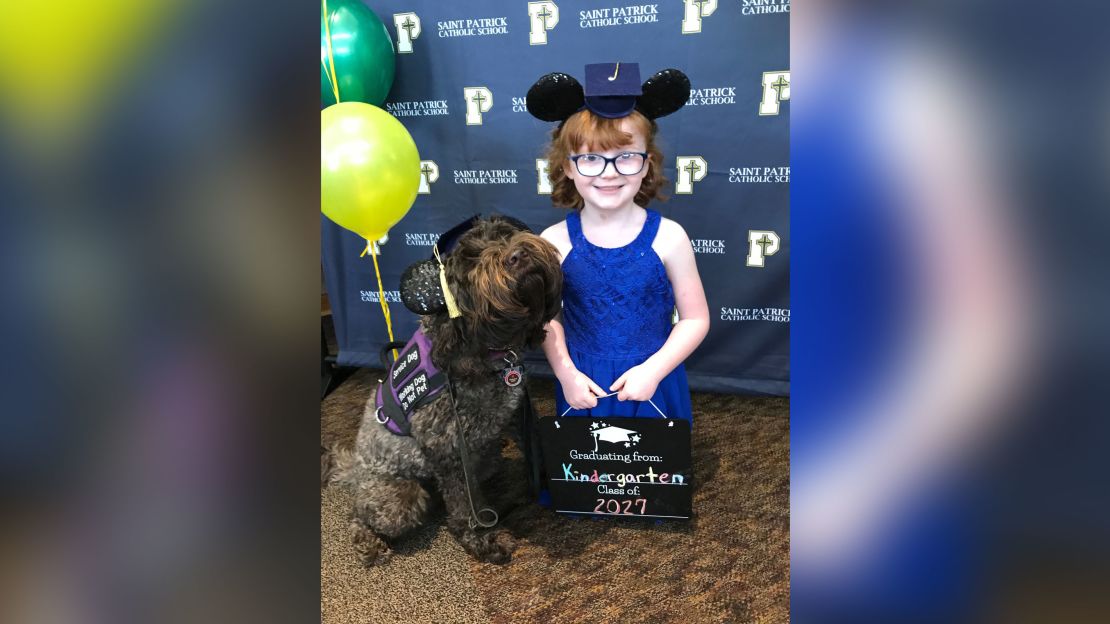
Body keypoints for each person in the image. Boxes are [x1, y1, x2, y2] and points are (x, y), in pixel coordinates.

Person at [525, 62, 709, 422]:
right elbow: (549, 319)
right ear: (567, 166)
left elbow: (695, 319)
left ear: (647, 163)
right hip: (583, 384)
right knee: (589, 471)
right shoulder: (554, 242)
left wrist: (653, 371)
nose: (609, 172)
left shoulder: (670, 238)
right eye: (591, 158)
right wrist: (566, 375)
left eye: (625, 157)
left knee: (654, 474)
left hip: (653, 381)